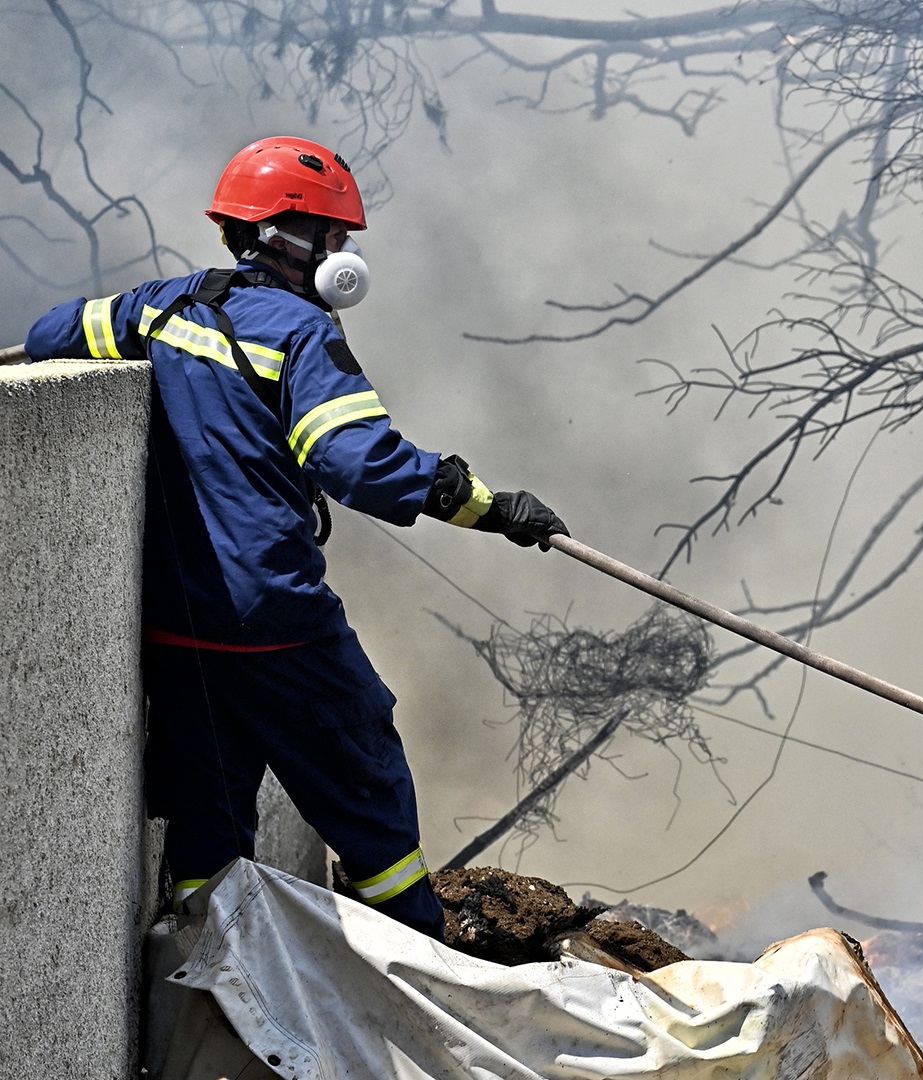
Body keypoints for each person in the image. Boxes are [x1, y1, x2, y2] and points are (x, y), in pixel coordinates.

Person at [22, 135, 565, 940]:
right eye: (335, 236)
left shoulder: (160, 308)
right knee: (367, 790)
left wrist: (145, 323)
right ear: (286, 234)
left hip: (179, 628)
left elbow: (44, 338)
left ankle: (212, 996)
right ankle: (418, 965)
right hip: (276, 622)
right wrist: (488, 504)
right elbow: (357, 463)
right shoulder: (302, 334)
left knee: (208, 833)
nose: (343, 255)